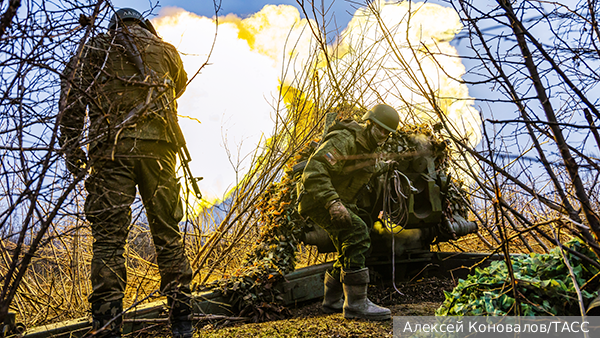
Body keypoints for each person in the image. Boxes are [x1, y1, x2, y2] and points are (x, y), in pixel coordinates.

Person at [59, 8, 194, 338]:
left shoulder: (95, 49)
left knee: (108, 241)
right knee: (168, 234)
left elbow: (72, 98)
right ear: (144, 25)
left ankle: (107, 327)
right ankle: (182, 322)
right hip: (159, 152)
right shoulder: (167, 51)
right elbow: (179, 86)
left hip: (111, 152)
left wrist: (72, 146)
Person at [297, 104, 400, 321]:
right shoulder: (345, 140)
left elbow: (362, 171)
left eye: (387, 132)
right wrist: (333, 203)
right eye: (380, 129)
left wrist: (386, 166)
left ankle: (332, 300)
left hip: (340, 200)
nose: (383, 135)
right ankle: (356, 305)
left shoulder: (368, 146)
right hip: (318, 199)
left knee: (353, 241)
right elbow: (314, 172)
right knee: (357, 233)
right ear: (370, 123)